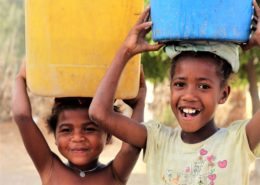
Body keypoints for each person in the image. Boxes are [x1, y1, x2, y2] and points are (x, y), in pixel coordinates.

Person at [89, 2, 260, 185]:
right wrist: (126, 51)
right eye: (180, 84)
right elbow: (99, 113)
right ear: (170, 87)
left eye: (203, 86)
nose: (189, 95)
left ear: (223, 94)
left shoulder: (238, 142)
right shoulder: (157, 140)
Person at [12, 61, 146, 185]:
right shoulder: (49, 169)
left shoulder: (115, 175)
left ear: (109, 135)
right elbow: (22, 117)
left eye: (89, 129)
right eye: (66, 130)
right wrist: (20, 78)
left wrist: (140, 102)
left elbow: (131, 147)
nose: (77, 138)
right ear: (55, 137)